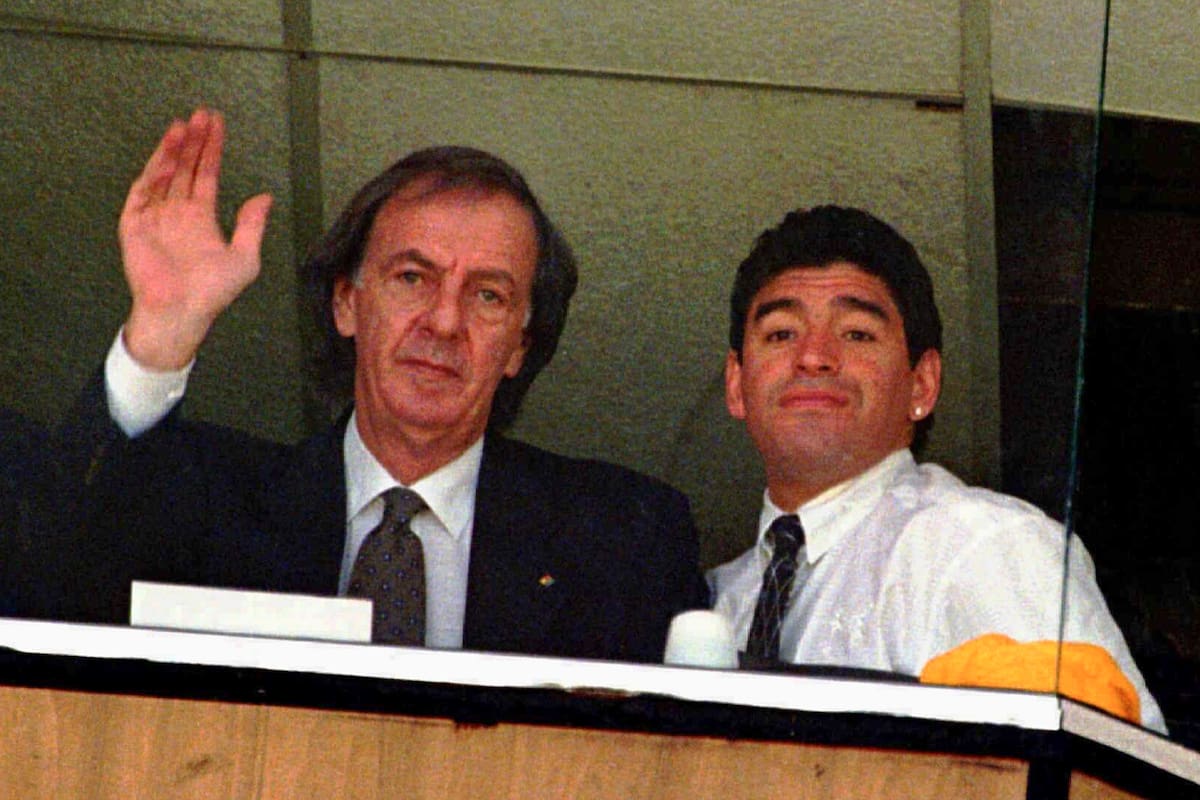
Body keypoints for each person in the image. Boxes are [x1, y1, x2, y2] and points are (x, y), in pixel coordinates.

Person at [52, 107, 704, 662]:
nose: (445, 321)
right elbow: (59, 578)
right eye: (412, 278)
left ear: (519, 347)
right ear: (346, 302)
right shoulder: (212, 503)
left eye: (487, 295)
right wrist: (163, 333)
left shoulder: (624, 539)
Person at [707, 205, 1167, 732]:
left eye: (856, 333)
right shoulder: (717, 598)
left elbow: (1077, 774)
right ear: (737, 384)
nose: (814, 357)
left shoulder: (979, 545)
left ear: (922, 385)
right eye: (781, 333)